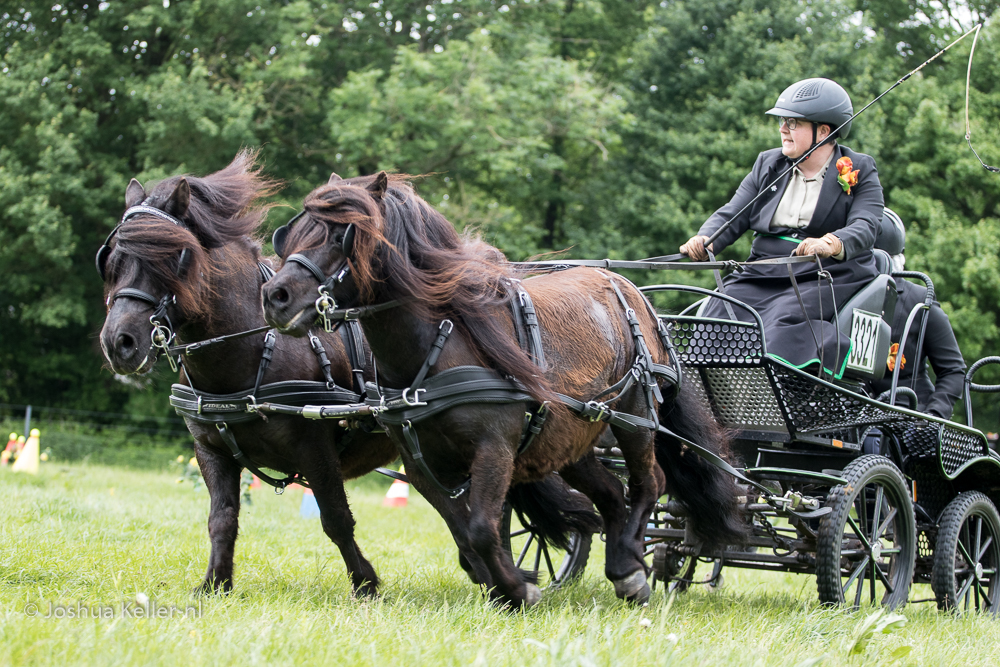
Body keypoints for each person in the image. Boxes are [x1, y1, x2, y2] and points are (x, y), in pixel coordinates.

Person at [680, 78, 884, 378]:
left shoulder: (860, 168)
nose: (782, 129)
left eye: (792, 122)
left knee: (780, 318)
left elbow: (867, 224)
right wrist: (707, 238)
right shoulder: (768, 163)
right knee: (719, 312)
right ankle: (705, 396)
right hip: (764, 268)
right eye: (782, 121)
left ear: (824, 131)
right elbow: (734, 211)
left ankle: (774, 396)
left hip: (824, 273)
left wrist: (832, 243)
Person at [869, 211, 966, 419]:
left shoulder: (920, 300)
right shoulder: (836, 295)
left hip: (909, 416)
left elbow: (952, 369)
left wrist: (933, 416)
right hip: (851, 415)